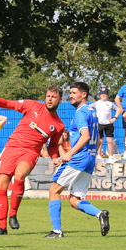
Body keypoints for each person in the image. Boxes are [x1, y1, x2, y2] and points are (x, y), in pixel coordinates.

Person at [0, 86, 65, 235]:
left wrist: (54, 157)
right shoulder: (32, 105)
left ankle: (13, 214)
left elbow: (52, 145)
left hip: (31, 151)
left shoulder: (58, 125)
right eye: (48, 96)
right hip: (12, 146)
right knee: (1, 182)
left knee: (19, 176)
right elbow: (8, 104)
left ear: (60, 100)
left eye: (54, 97)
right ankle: (1, 227)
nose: (50, 99)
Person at [45, 82, 110, 238]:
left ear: (84, 94)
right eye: (70, 92)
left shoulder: (81, 112)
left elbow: (85, 136)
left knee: (54, 190)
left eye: (74, 93)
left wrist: (69, 154)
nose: (71, 96)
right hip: (90, 158)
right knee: (75, 199)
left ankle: (57, 231)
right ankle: (100, 214)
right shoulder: (92, 112)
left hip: (79, 158)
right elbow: (98, 138)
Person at [93, 87, 119, 157]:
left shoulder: (110, 103)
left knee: (110, 140)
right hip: (99, 124)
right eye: (102, 94)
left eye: (105, 94)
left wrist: (115, 118)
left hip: (108, 124)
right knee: (100, 140)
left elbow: (118, 109)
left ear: (107, 95)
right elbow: (88, 108)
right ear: (99, 95)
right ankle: (98, 155)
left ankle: (111, 156)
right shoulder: (96, 103)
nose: (103, 95)